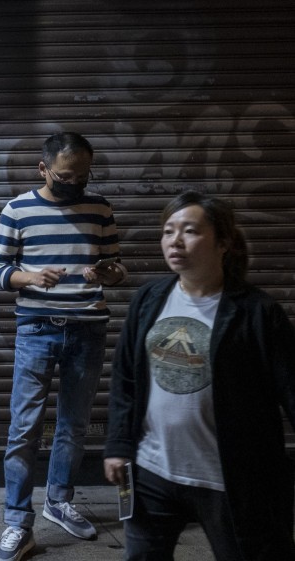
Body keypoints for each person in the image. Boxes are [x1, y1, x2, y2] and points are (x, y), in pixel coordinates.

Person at [104, 191, 295, 559]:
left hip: (228, 480)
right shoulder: (149, 299)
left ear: (223, 242)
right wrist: (118, 445)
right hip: (152, 471)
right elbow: (126, 378)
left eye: (189, 231)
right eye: (168, 231)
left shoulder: (257, 313)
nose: (174, 241)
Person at [0, 131, 127, 561]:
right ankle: (17, 522)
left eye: (84, 175)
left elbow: (117, 267)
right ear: (43, 169)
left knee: (74, 424)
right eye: (68, 176)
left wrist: (107, 274)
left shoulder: (100, 208)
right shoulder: (17, 210)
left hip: (89, 328)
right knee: (24, 428)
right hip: (36, 327)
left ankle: (59, 501)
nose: (76, 183)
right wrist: (30, 277)